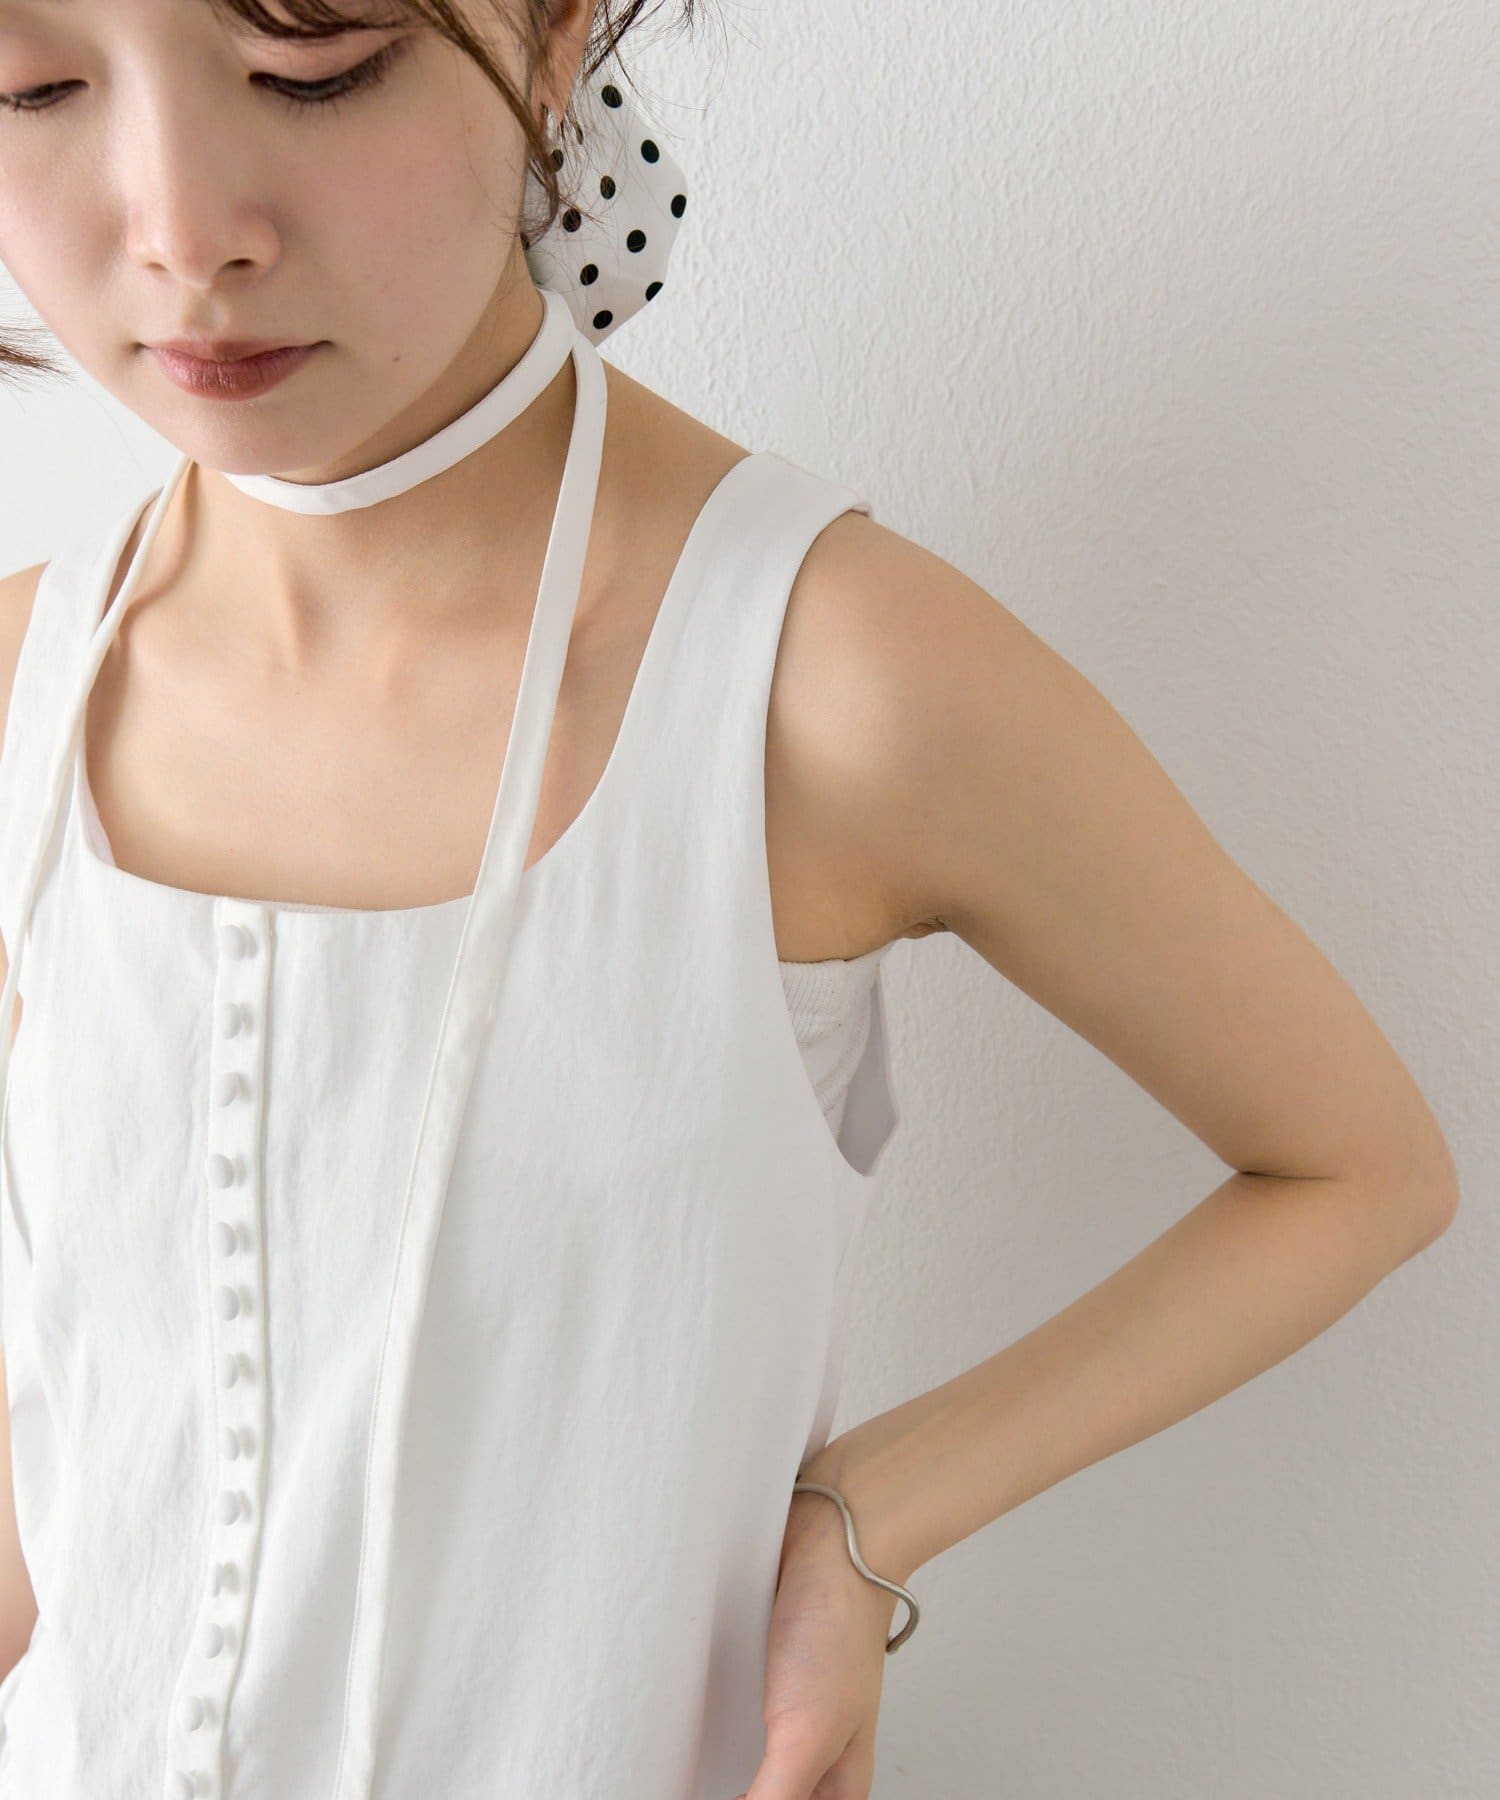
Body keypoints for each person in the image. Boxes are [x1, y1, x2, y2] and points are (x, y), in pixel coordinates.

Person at [0, 4, 1461, 1798]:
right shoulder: (24, 690)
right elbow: (81, 1439)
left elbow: (1357, 1167)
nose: (180, 232)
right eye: (32, 85)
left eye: (315, 65)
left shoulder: (822, 680)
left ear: (553, 36)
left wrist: (864, 1517)